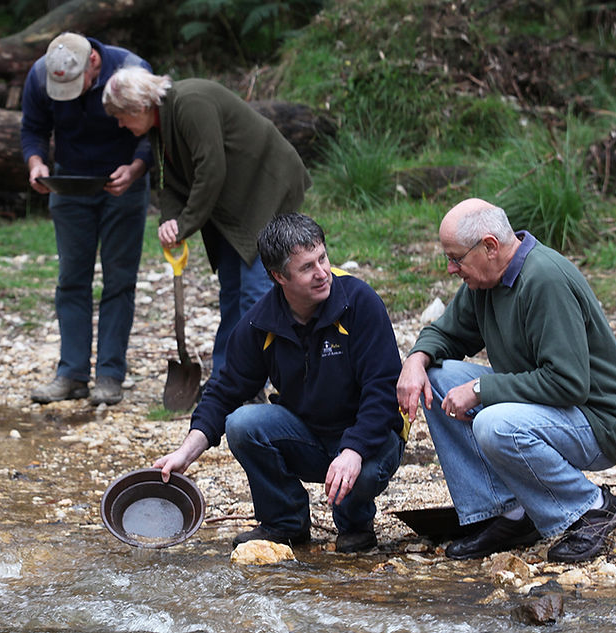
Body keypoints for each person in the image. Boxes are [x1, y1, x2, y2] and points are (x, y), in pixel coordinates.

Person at [396, 198, 616, 563]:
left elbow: (568, 383)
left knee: (494, 425)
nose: (451, 268)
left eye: (455, 257)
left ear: (490, 246)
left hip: (603, 420)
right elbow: (447, 335)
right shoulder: (484, 281)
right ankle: (509, 513)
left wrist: (482, 390)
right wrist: (415, 360)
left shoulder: (544, 279)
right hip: (557, 408)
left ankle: (591, 509)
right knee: (437, 376)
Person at [153, 214, 407, 553]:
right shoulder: (261, 321)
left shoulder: (359, 302)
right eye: (307, 268)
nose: (322, 273)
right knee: (242, 423)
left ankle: (355, 524)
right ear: (278, 276)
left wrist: (353, 450)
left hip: (372, 438)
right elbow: (224, 391)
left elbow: (383, 390)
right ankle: (285, 522)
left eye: (323, 258)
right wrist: (185, 453)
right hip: (310, 435)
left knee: (359, 473)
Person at [102, 66, 312, 384]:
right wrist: (170, 222)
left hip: (265, 188)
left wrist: (185, 223)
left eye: (121, 116)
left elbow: (210, 170)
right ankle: (227, 379)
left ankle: (260, 379)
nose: (119, 124)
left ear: (140, 107)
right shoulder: (159, 125)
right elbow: (168, 182)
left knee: (255, 290)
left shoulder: (190, 103)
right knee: (230, 291)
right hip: (231, 205)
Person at [21, 32, 154, 406]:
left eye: (78, 85)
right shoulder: (40, 75)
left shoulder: (131, 69)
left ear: (93, 61)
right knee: (71, 279)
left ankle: (110, 376)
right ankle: (71, 374)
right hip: (68, 184)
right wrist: (36, 164)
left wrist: (136, 168)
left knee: (119, 280)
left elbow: (154, 129)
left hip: (123, 184)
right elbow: (32, 129)